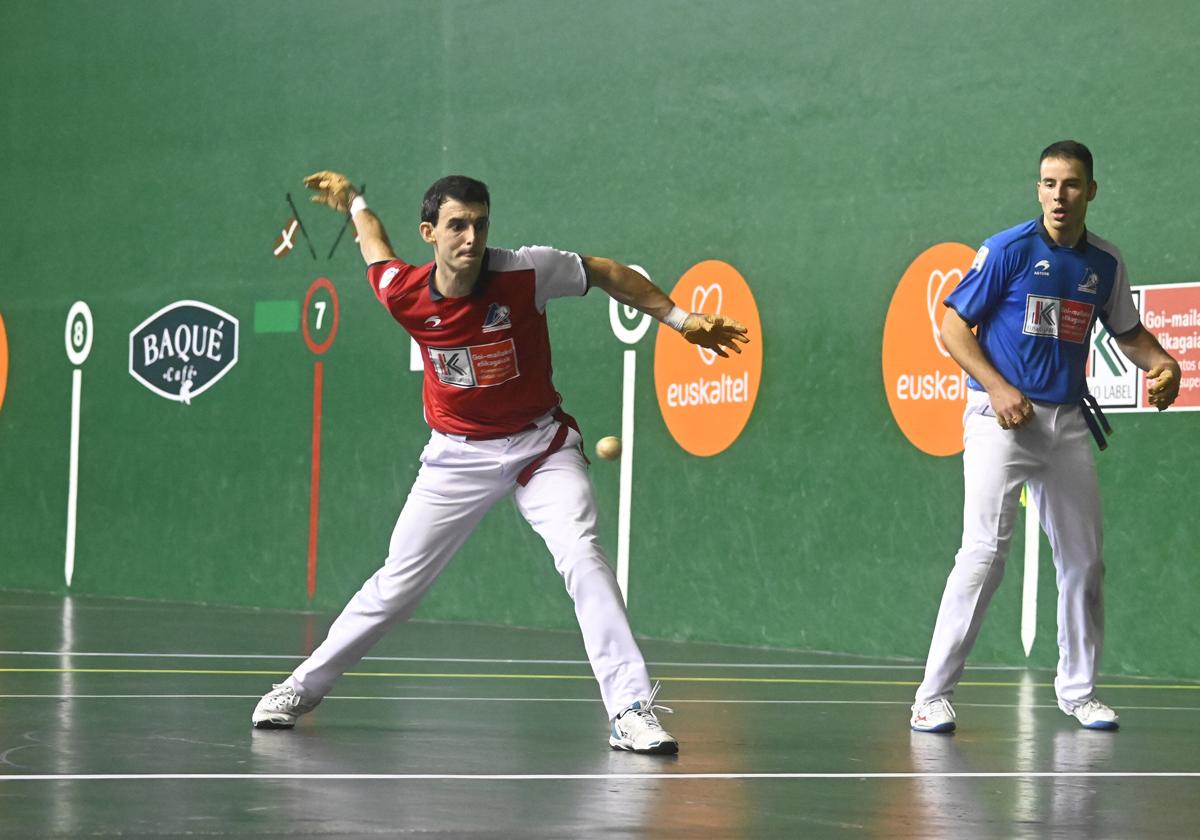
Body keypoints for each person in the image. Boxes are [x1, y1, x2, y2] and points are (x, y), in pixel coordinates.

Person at [252, 171, 750, 754]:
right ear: (430, 233)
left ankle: (631, 708)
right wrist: (354, 201)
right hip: (456, 456)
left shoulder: (526, 271)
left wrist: (682, 321)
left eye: (481, 224)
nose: (471, 237)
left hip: (541, 447)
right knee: (396, 585)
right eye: (457, 225)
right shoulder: (403, 292)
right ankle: (300, 687)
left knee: (584, 558)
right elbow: (374, 248)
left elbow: (609, 274)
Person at [910, 140, 1181, 733]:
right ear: (1038, 189)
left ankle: (1079, 693)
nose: (1060, 195)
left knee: (1084, 562)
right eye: (1049, 183)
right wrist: (998, 388)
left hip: (1066, 426)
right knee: (982, 557)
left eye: (1072, 184)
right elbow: (952, 327)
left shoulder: (1104, 264)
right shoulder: (1007, 249)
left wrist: (1167, 367)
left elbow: (1132, 336)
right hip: (998, 421)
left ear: (1091, 190)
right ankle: (932, 695)